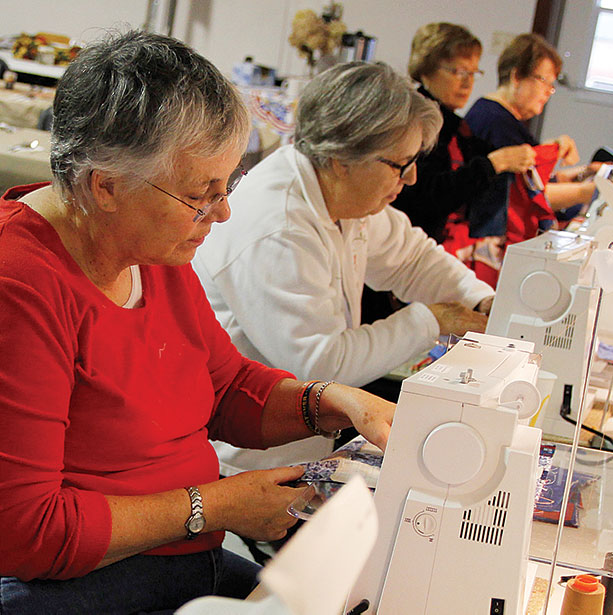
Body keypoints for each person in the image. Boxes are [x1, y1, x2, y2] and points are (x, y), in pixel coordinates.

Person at [0, 30, 393, 614]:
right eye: (200, 194)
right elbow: (28, 532)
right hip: (76, 584)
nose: (224, 210)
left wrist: (337, 402)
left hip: (179, 555)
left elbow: (224, 387)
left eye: (226, 185)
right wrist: (213, 506)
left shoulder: (145, 247)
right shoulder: (21, 285)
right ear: (105, 186)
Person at [192, 61, 494, 476]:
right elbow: (320, 365)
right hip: (249, 466)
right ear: (341, 157)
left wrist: (482, 300)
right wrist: (432, 321)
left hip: (304, 443)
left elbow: (412, 258)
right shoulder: (277, 225)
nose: (410, 179)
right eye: (400, 164)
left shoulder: (348, 195)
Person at [392, 22, 535, 252]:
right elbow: (429, 195)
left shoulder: (453, 124)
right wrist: (496, 163)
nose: (468, 83)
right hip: (405, 246)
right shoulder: (415, 121)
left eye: (473, 73)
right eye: (458, 72)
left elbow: (482, 156)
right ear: (426, 70)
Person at [465, 33, 601, 252]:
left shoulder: (498, 116)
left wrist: (582, 173)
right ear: (517, 76)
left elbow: (532, 181)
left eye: (552, 86)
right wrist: (590, 191)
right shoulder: (496, 123)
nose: (549, 92)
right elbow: (529, 196)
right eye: (544, 81)